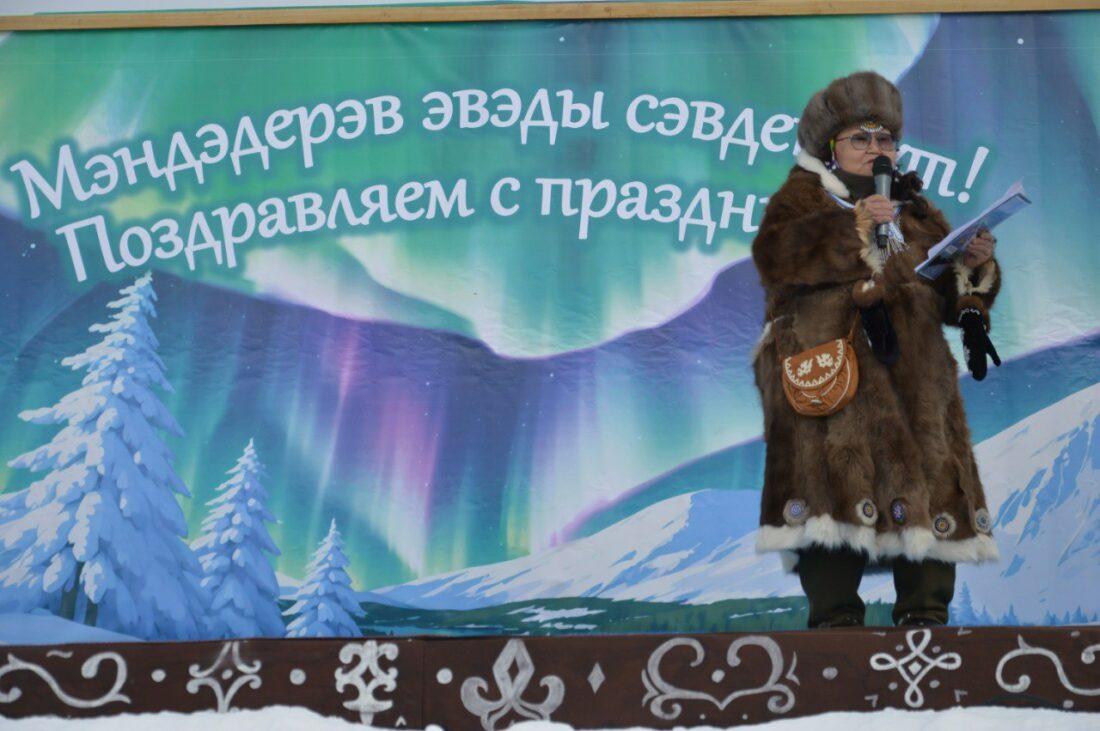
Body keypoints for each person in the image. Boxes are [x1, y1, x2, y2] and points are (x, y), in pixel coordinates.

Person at [750, 71, 1001, 628]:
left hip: (915, 380)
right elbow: (774, 257)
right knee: (833, 490)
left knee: (930, 484)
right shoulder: (802, 199)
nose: (876, 149)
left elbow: (946, 298)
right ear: (830, 147)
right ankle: (836, 622)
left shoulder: (916, 211)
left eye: (885, 138)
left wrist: (971, 266)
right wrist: (854, 230)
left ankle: (926, 618)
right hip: (833, 376)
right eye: (860, 138)